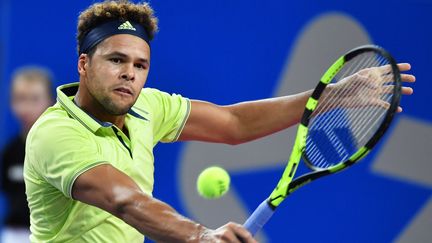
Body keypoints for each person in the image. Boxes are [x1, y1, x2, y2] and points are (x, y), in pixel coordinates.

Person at [23, 1, 416, 242]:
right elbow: (124, 200)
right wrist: (200, 235)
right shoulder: (55, 133)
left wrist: (328, 98)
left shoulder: (148, 107)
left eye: (140, 65)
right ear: (84, 65)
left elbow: (233, 123)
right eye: (116, 60)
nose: (130, 73)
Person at [1, 66, 54, 243]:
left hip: (52, 234)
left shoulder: (57, 150)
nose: (26, 107)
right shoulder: (10, 151)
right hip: (15, 234)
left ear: (50, 101)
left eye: (35, 99)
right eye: (20, 99)